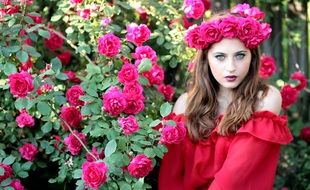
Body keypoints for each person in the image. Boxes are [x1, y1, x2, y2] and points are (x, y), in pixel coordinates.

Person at [158, 3, 293, 190]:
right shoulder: (185, 104)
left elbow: (232, 179)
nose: (231, 67)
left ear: (253, 58)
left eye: (240, 55)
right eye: (220, 57)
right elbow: (169, 179)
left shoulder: (265, 99)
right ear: (206, 59)